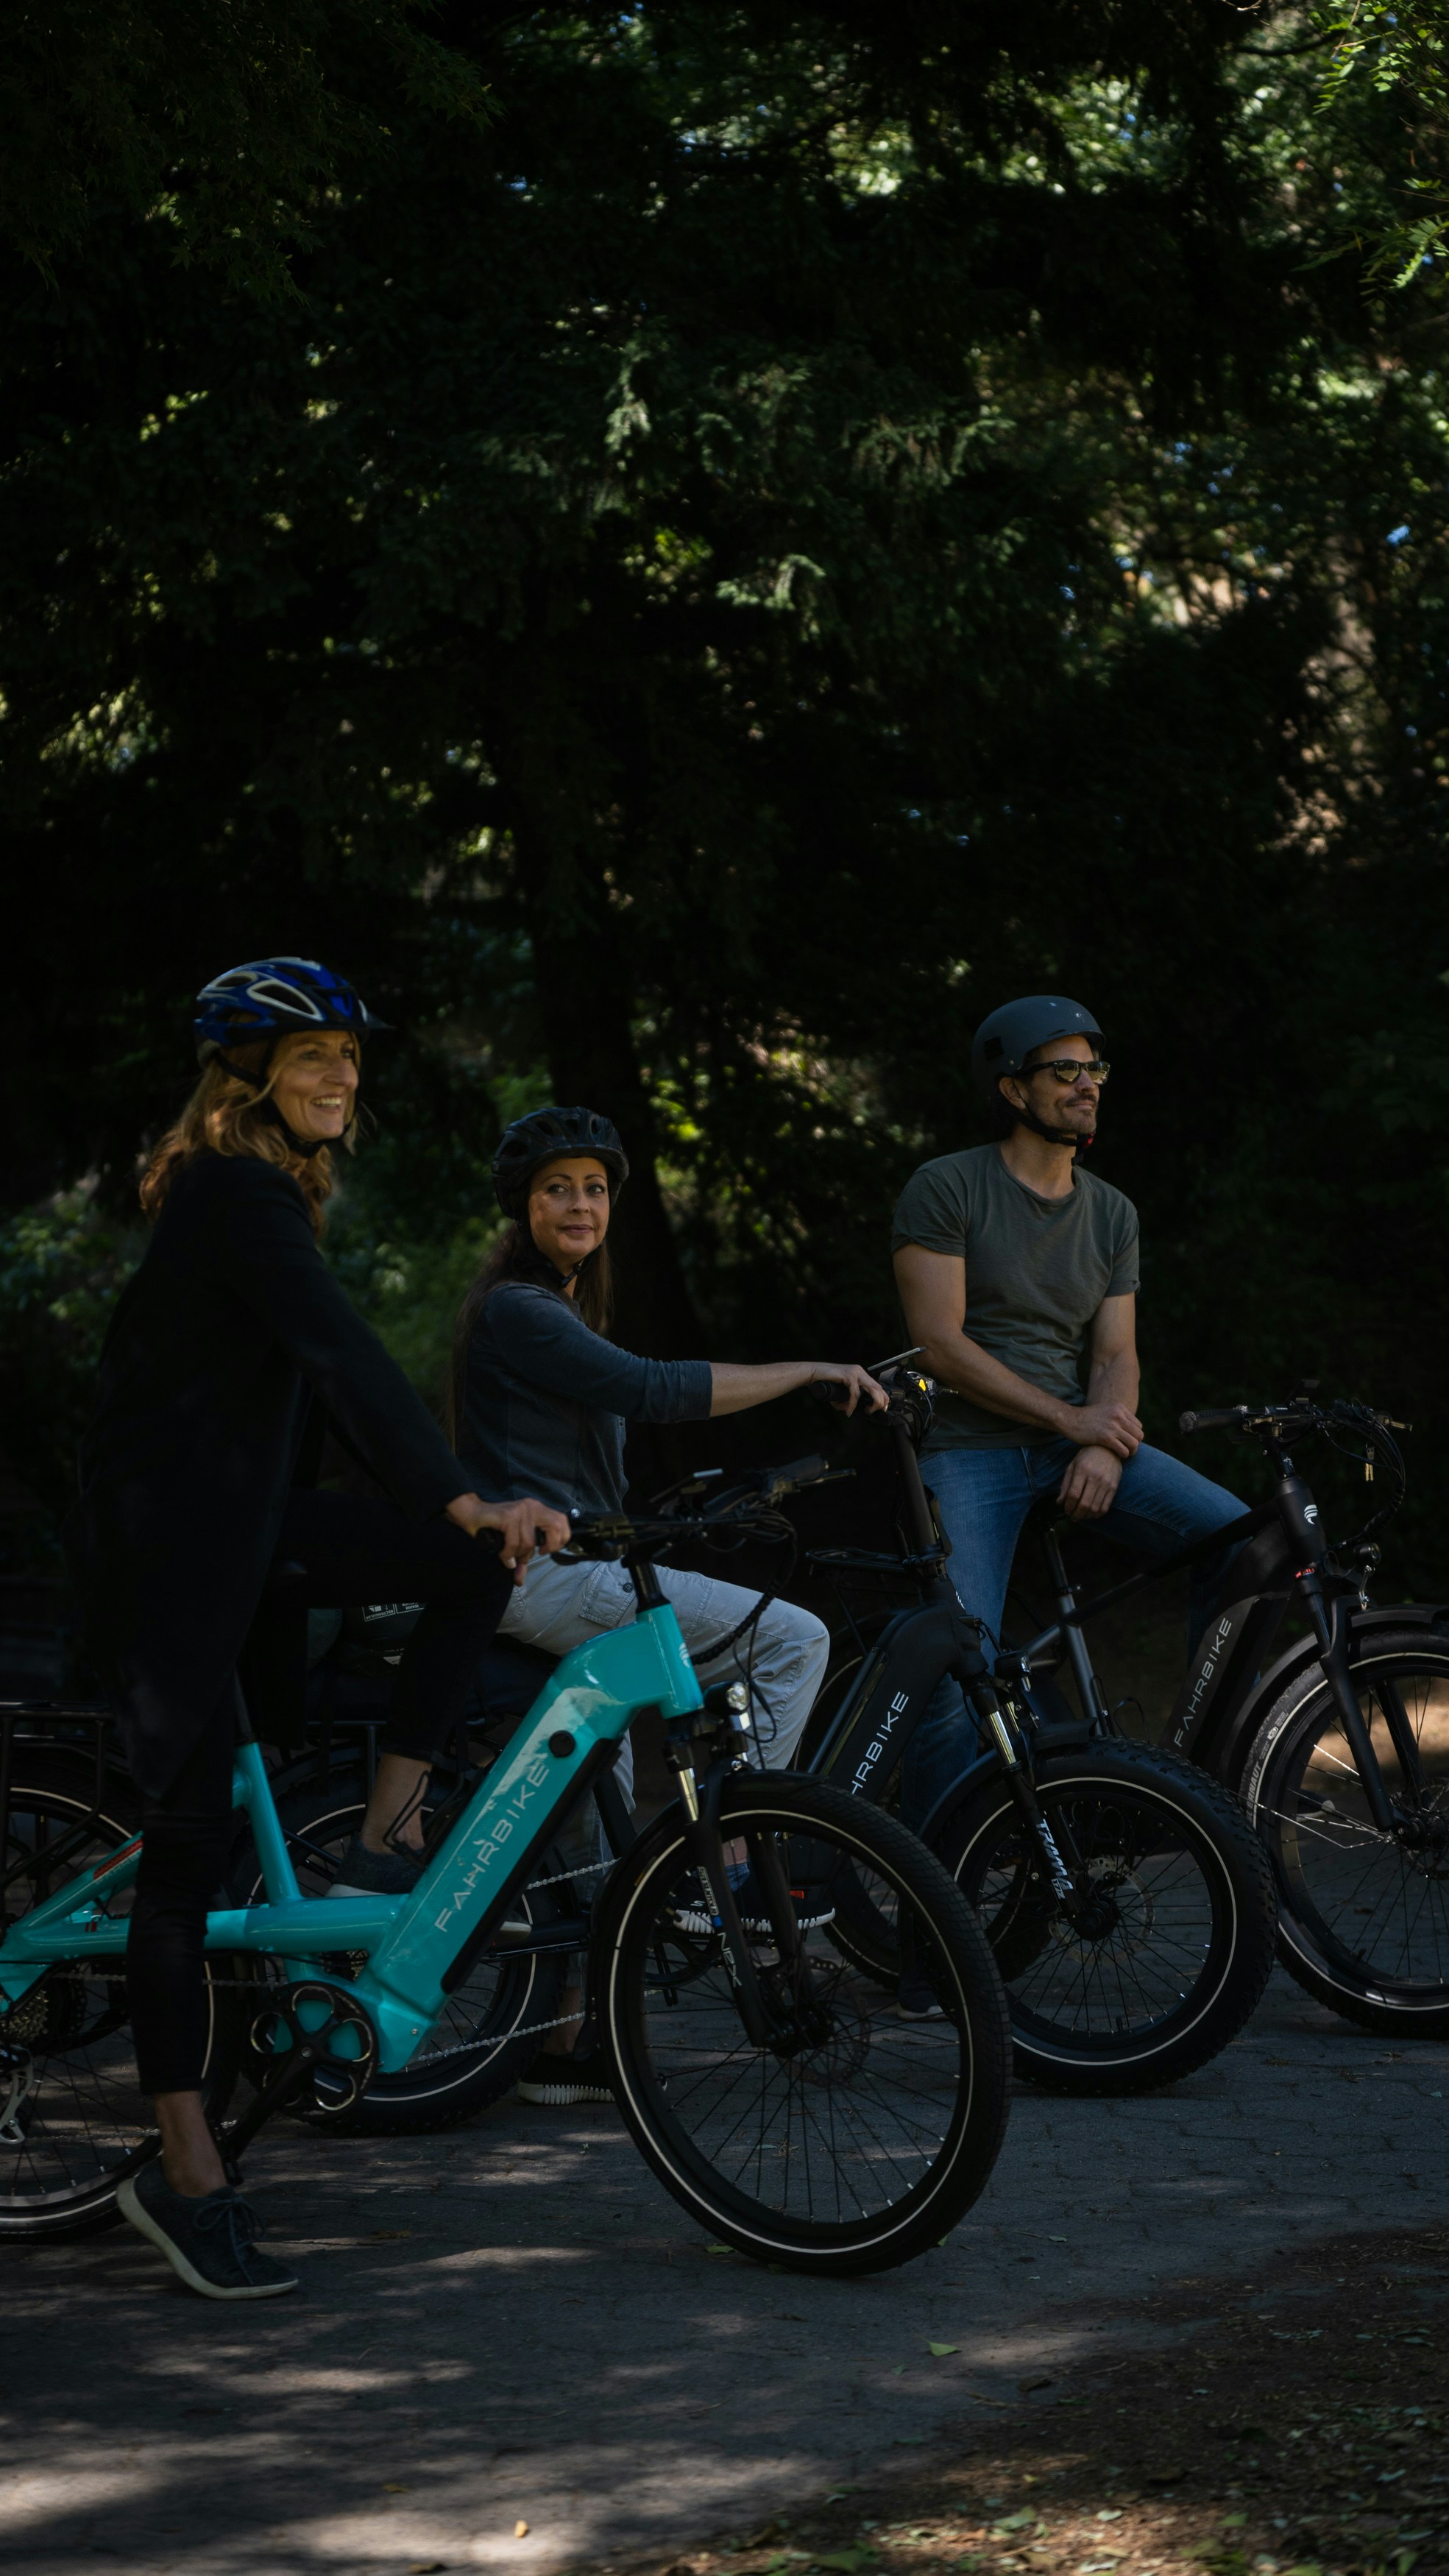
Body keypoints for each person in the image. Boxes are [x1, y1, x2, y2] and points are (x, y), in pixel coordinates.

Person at [66, 958, 569, 2299]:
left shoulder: (264, 1192)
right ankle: (183, 2175)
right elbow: (344, 1352)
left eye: (349, 1056)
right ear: (244, 1076)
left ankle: (382, 1837)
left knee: (462, 1573)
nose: (342, 1075)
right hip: (170, 1552)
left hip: (241, 1525)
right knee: (182, 1862)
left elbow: (322, 1392)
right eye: (310, 1057)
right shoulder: (232, 1189)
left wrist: (448, 1516)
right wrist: (459, 1492)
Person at [397, 1102, 885, 2105]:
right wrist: (810, 1372)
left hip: (558, 1574)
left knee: (598, 1802)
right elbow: (654, 1389)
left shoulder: (556, 1310)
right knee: (791, 1636)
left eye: (594, 1187)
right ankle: (737, 1874)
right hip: (546, 1578)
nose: (579, 1204)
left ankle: (574, 2042)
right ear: (521, 1206)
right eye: (555, 1188)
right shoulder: (520, 1310)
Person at [888, 994, 1245, 2004]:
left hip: (1069, 1440)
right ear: (1012, 1089)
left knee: (1237, 1540)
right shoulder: (946, 1186)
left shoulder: (1112, 1211)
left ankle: (1196, 1781)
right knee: (954, 1662)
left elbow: (1118, 1355)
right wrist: (1069, 1423)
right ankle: (935, 1933)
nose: (1086, 1086)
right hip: (968, 1446)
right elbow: (939, 1347)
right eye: (1062, 1071)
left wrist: (1105, 1433)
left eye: (1093, 1069)